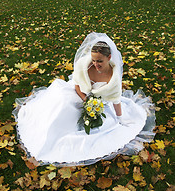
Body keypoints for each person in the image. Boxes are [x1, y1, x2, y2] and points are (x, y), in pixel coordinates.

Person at [13, 32, 155, 166]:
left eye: (100, 61)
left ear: (109, 58)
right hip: (79, 94)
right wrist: (85, 100)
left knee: (98, 126)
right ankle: (46, 138)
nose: (96, 64)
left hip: (97, 103)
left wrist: (119, 118)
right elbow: (77, 86)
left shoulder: (114, 78)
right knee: (64, 106)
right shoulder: (84, 65)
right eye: (93, 60)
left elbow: (116, 100)